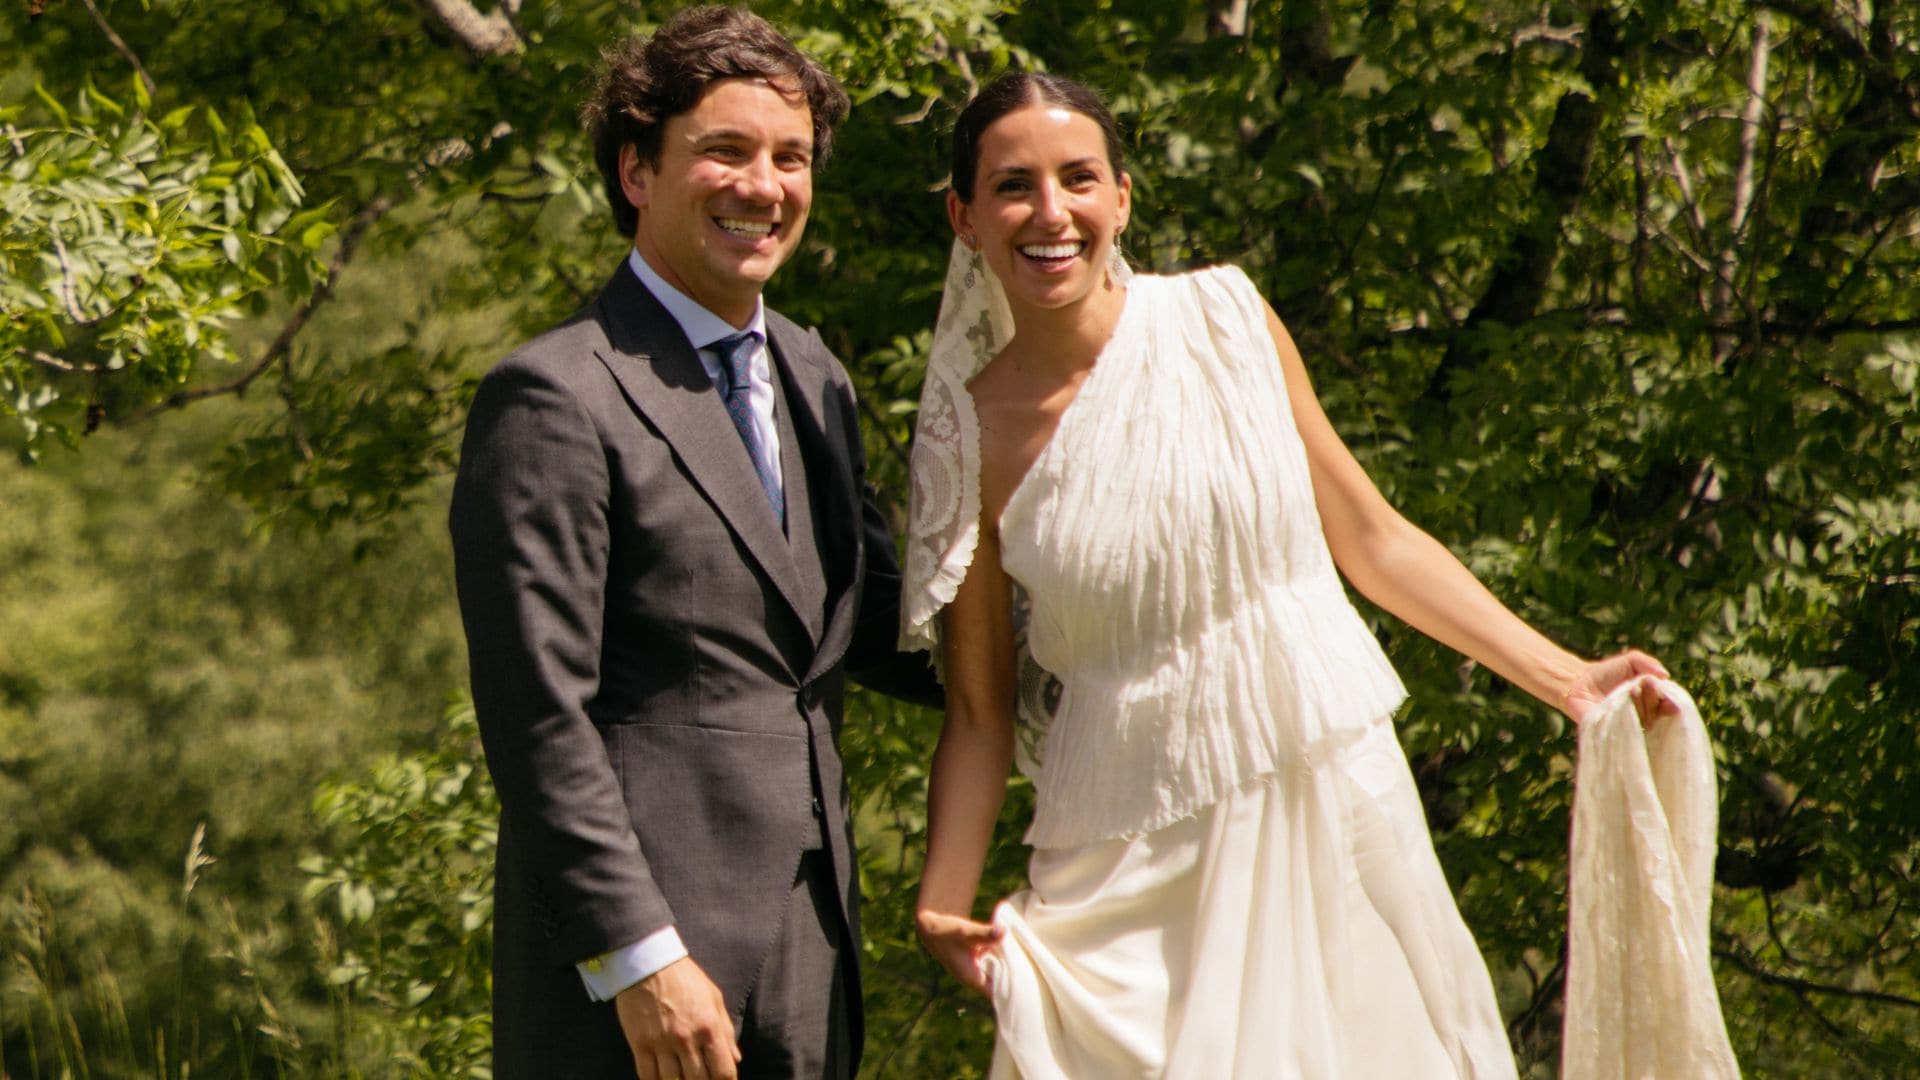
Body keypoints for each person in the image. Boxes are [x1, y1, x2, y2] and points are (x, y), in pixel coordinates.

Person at [900, 71, 1673, 1078]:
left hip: (1324, 792)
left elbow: (1372, 539)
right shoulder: (966, 437)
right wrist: (940, 905)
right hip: (1122, 868)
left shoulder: (1224, 321)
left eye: (1078, 178)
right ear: (965, 218)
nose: (1051, 212)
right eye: (1013, 186)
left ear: (1122, 198)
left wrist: (1564, 678)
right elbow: (978, 711)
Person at [449, 8, 935, 1079]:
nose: (763, 187)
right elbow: (538, 714)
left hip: (815, 945)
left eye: (790, 158)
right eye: (725, 151)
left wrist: (1094, 652)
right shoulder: (553, 394)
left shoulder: (815, 377)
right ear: (636, 169)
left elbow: (873, 624)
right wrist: (637, 958)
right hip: (641, 981)